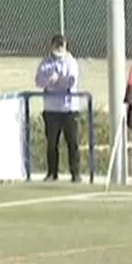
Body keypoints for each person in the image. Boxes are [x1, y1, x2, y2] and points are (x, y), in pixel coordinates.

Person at [34, 35, 82, 182]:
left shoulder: (70, 62)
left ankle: (75, 173)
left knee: (72, 142)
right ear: (52, 45)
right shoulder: (45, 62)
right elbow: (39, 80)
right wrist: (49, 81)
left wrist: (58, 80)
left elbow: (71, 80)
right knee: (52, 142)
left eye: (62, 45)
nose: (60, 48)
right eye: (57, 45)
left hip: (69, 109)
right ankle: (52, 173)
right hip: (51, 109)